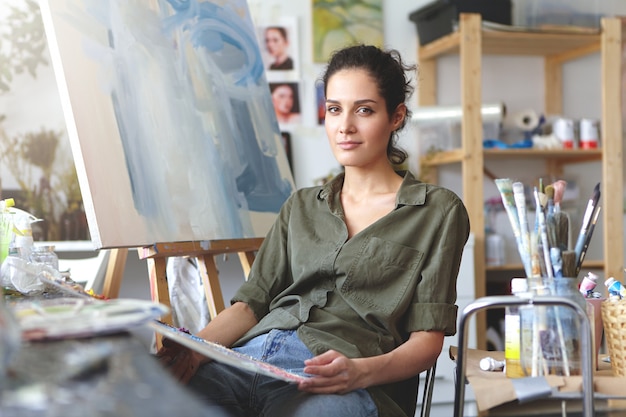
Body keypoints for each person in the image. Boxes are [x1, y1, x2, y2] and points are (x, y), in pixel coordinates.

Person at [157, 44, 470, 417]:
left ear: (396, 116)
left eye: (364, 110)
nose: (345, 126)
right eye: (335, 109)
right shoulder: (301, 206)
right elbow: (250, 306)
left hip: (339, 379)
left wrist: (359, 373)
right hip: (246, 361)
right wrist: (194, 351)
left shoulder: (437, 211)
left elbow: (427, 341)